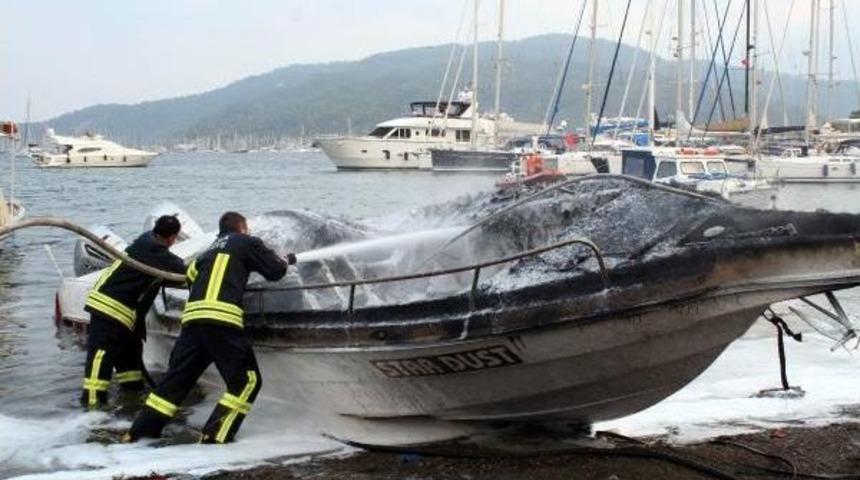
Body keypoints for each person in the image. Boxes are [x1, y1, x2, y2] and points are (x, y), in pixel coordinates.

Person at [127, 211, 296, 444]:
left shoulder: (204, 254)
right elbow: (275, 271)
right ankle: (214, 439)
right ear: (242, 228)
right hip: (222, 322)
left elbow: (191, 277)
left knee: (175, 383)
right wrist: (287, 260)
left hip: (193, 323)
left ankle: (137, 436)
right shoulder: (247, 242)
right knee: (246, 382)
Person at [82, 215, 185, 408]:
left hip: (125, 315)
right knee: (101, 356)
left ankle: (132, 397)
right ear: (173, 237)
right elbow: (182, 270)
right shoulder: (154, 252)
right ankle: (92, 405)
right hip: (109, 309)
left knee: (129, 357)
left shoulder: (145, 243)